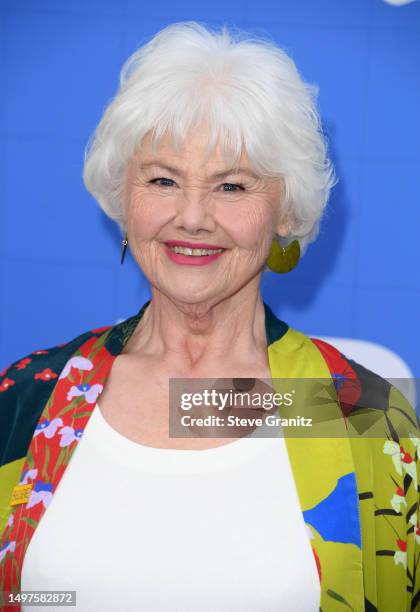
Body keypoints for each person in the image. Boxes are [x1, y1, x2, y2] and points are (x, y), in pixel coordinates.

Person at [0, 21, 418, 612]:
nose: (192, 216)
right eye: (163, 180)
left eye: (231, 186)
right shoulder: (24, 400)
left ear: (286, 212)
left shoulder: (360, 413)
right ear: (124, 199)